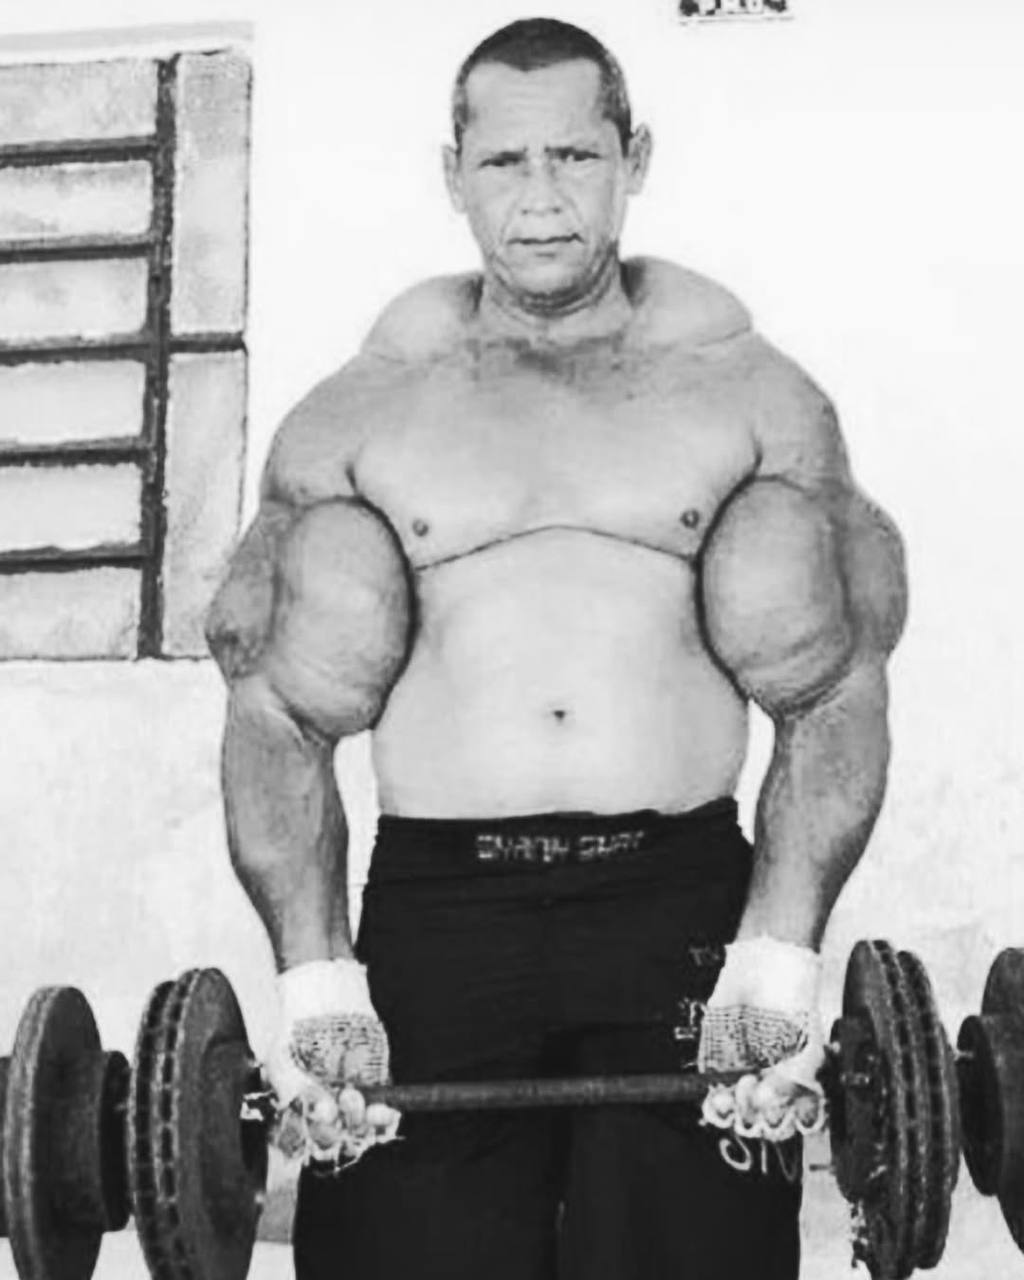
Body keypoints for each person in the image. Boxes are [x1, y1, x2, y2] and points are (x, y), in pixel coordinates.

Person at [206, 17, 906, 1280]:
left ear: (634, 158)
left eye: (574, 157)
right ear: (452, 174)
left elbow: (836, 679)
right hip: (442, 909)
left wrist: (777, 953)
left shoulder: (747, 391)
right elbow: (275, 707)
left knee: (692, 1259)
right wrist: (316, 980)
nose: (540, 198)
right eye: (503, 162)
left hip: (676, 894)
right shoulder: (362, 411)